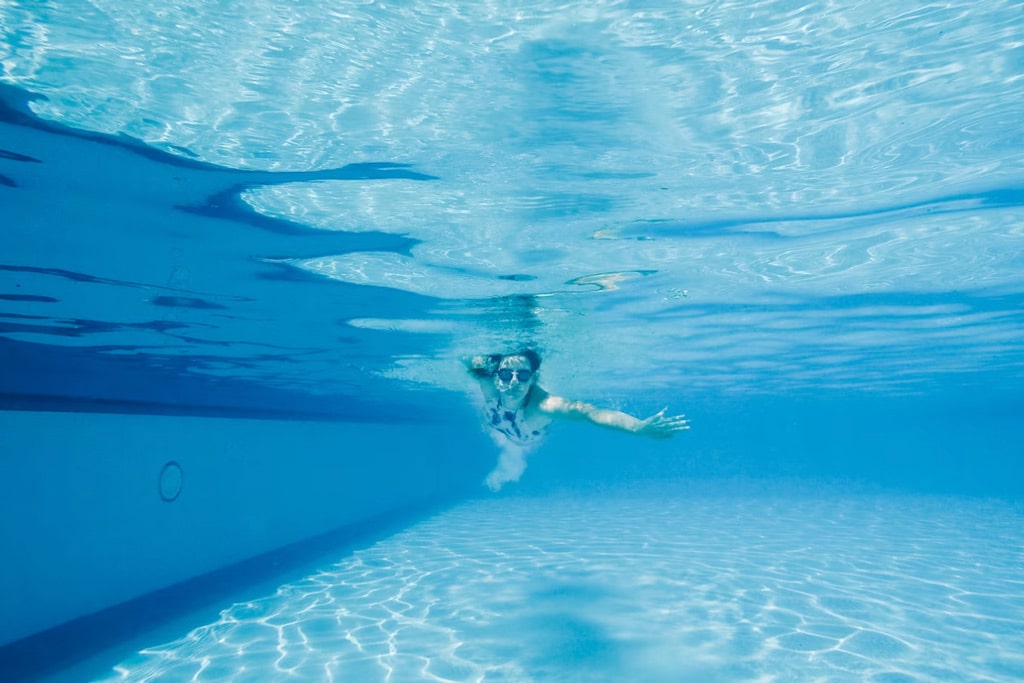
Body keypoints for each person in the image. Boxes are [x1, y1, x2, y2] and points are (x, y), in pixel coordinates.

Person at [466, 349, 689, 489]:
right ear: (496, 376)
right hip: (498, 425)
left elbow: (589, 413)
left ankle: (507, 464)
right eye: (506, 375)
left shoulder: (542, 407)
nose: (514, 382)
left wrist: (637, 427)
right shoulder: (487, 384)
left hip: (525, 437)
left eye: (523, 375)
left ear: (533, 378)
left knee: (513, 448)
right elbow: (467, 359)